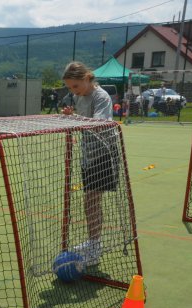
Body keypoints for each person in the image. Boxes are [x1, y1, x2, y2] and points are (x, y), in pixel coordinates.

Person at [62, 61, 115, 266]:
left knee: (92, 201)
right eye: (69, 88)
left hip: (103, 155)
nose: (73, 91)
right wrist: (70, 117)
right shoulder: (78, 96)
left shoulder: (101, 96)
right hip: (88, 155)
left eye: (75, 86)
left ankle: (95, 246)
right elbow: (81, 121)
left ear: (86, 78)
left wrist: (75, 118)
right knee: (89, 202)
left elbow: (99, 124)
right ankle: (93, 241)